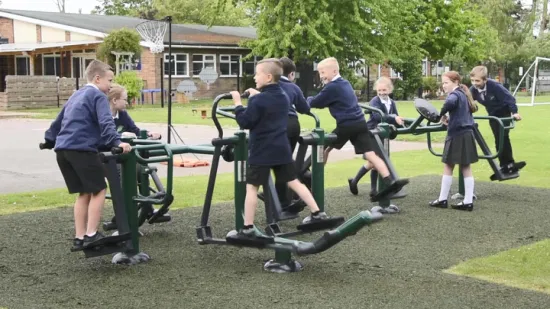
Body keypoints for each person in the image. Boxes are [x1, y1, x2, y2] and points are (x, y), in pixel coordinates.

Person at [230, 58, 334, 241]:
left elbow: (245, 121)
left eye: (257, 74)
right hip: (282, 150)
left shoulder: (259, 101)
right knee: (294, 182)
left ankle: (247, 227)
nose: (254, 77)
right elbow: (267, 102)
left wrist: (238, 104)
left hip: (261, 151)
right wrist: (256, 94)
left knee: (252, 188)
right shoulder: (283, 97)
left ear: (268, 77)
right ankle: (317, 212)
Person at [43, 60, 132, 251]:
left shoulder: (77, 94)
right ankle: (92, 234)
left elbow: (59, 121)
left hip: (63, 151)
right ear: (97, 78)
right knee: (100, 189)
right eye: (110, 80)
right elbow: (106, 122)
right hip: (81, 149)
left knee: (84, 192)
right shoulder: (98, 96)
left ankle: (79, 236)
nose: (110, 85)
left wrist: (49, 140)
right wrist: (117, 143)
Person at [307, 57, 409, 202]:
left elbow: (317, 101)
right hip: (360, 123)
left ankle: (313, 182)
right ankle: (390, 181)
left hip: (346, 125)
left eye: (323, 72)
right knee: (371, 154)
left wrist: (303, 102)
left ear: (334, 71)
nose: (321, 76)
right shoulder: (346, 83)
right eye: (320, 73)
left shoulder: (332, 87)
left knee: (323, 147)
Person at [348, 77, 404, 198]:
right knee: (377, 160)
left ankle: (361, 184)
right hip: (372, 132)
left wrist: (398, 122)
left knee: (374, 162)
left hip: (383, 133)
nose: (382, 93)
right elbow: (378, 116)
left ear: (389, 90)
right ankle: (371, 187)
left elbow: (395, 116)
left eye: (384, 90)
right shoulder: (375, 101)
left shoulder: (391, 102)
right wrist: (394, 118)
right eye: (379, 90)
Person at [430, 71, 478, 211]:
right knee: (465, 167)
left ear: (455, 82)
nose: (443, 85)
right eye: (443, 83)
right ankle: (467, 201)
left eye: (446, 83)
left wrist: (441, 114)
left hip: (457, 134)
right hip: (467, 133)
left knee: (448, 165)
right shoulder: (464, 94)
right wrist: (448, 118)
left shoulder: (454, 95)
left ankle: (443, 199)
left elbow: (450, 103)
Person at [469, 66, 526, 175]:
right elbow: (466, 100)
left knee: (502, 137)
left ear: (485, 80)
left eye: (477, 80)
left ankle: (508, 164)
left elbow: (510, 98)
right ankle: (506, 165)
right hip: (492, 115)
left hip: (504, 113)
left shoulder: (495, 86)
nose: (474, 83)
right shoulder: (474, 90)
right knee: (498, 139)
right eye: (472, 80)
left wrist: (514, 113)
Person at [274, 57, 310, 209]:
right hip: (293, 125)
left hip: (278, 125)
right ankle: (288, 194)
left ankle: (283, 199)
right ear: (292, 74)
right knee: (285, 161)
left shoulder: (271, 85)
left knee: (279, 163)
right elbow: (305, 108)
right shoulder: (293, 87)